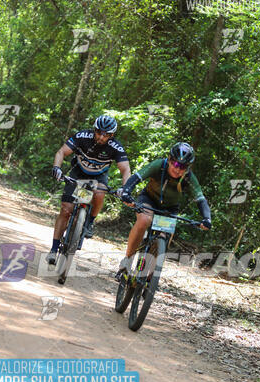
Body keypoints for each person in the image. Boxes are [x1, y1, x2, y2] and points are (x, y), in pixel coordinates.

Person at [115, 142, 211, 280]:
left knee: (165, 236)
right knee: (144, 220)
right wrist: (126, 192)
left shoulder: (189, 178)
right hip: (149, 199)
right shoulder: (159, 165)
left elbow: (201, 199)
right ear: (170, 159)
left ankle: (151, 278)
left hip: (170, 208)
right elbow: (137, 176)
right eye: (176, 164)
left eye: (182, 167)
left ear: (188, 167)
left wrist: (207, 218)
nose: (178, 169)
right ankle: (126, 262)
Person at [46, 114, 131, 264]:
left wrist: (125, 189)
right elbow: (61, 152)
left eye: (106, 134)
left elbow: (125, 170)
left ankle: (90, 221)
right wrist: (57, 168)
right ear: (94, 130)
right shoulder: (82, 136)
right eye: (99, 132)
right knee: (66, 210)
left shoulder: (115, 147)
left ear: (112, 135)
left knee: (99, 194)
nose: (101, 137)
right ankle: (53, 249)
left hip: (99, 177)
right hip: (78, 172)